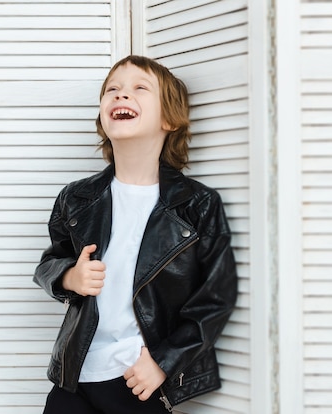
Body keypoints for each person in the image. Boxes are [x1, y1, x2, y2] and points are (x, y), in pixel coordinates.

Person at [33, 55, 238, 413]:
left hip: (138, 380)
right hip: (74, 376)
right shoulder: (77, 198)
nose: (121, 95)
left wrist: (164, 361)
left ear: (169, 118)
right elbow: (50, 262)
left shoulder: (198, 204)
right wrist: (70, 276)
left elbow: (215, 300)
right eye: (112, 89)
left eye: (139, 88)